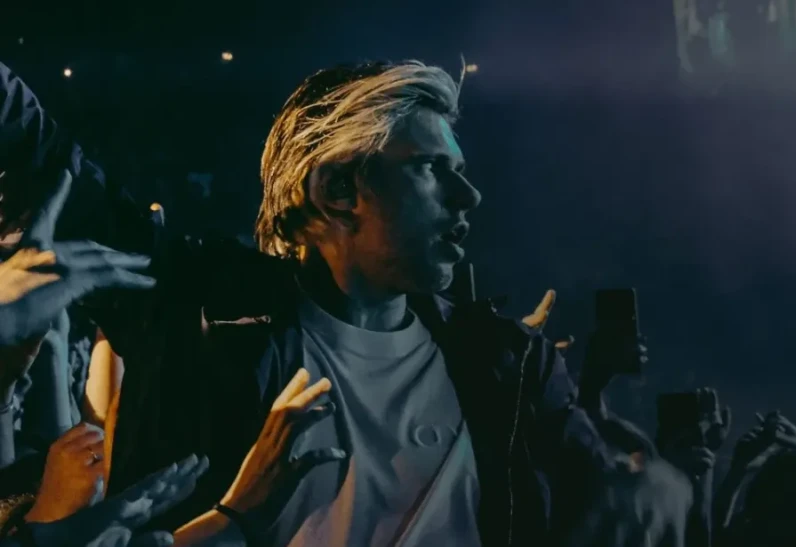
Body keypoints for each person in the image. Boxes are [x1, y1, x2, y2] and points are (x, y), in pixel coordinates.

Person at [25, 59, 618, 545]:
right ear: (336, 189)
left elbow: (611, 517)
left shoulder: (512, 365)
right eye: (431, 169)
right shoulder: (197, 311)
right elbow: (34, 155)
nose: (468, 195)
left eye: (458, 170)